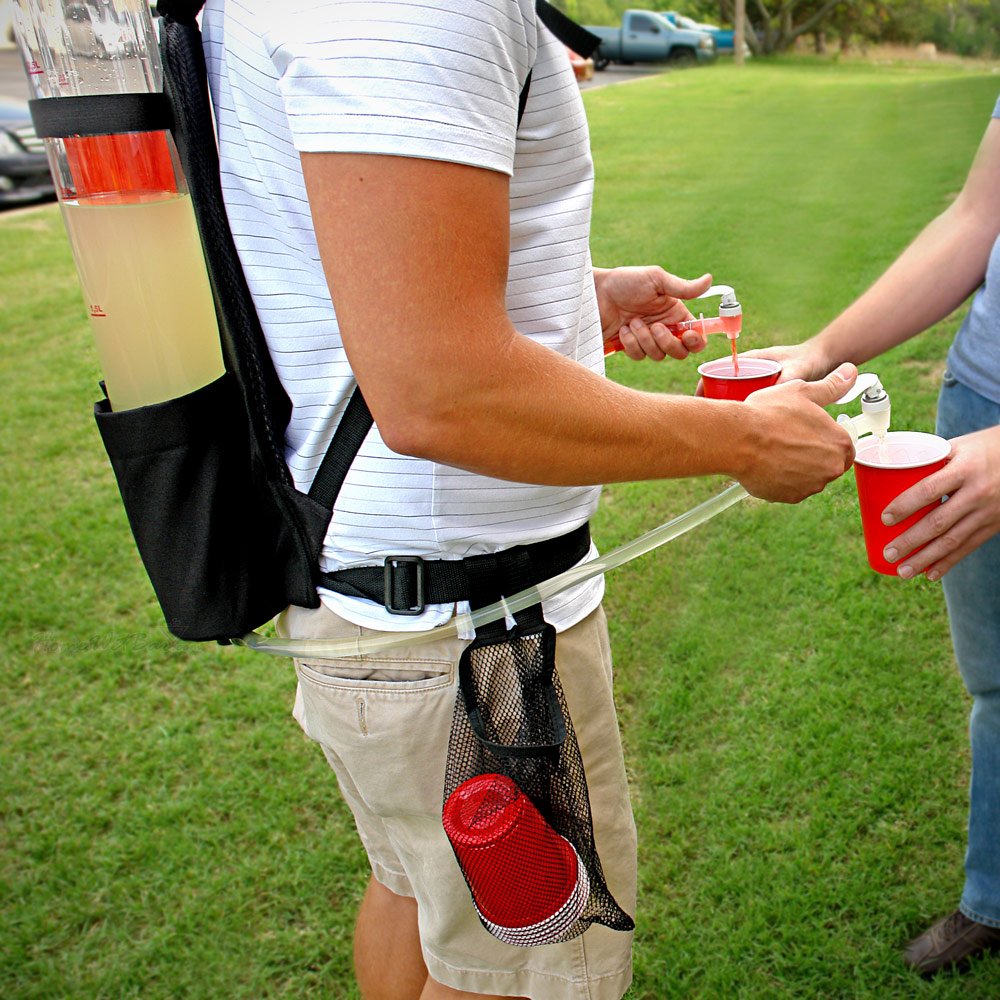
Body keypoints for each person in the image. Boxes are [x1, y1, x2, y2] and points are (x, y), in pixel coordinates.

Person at [201, 2, 856, 997]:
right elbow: (437, 389)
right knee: (517, 967)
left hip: (372, 599)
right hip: (474, 639)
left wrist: (573, 298)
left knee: (419, 897)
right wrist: (743, 439)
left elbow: (359, 267)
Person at [750, 95, 1000, 976]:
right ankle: (996, 897)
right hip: (983, 406)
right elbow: (979, 217)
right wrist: (818, 354)